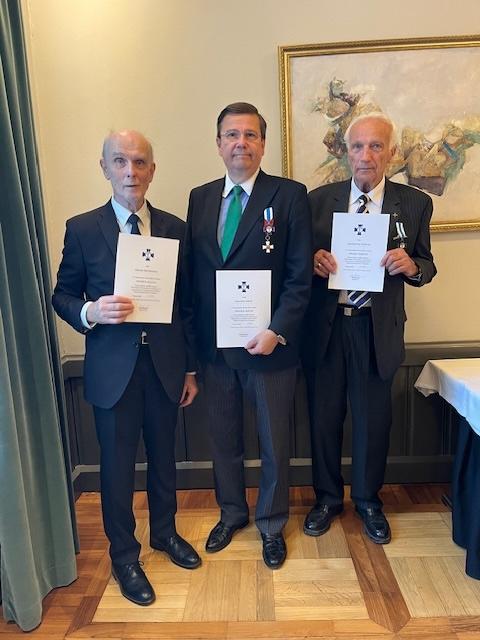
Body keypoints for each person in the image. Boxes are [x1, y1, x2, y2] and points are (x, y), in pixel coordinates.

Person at [52, 130, 201, 606]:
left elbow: (187, 305)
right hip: (112, 370)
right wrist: (91, 311)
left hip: (165, 366)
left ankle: (165, 533)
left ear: (152, 170)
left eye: (139, 162)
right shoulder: (82, 229)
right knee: (116, 469)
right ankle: (124, 556)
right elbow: (62, 295)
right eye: (120, 161)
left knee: (164, 459)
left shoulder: (176, 228)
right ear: (105, 167)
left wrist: (191, 370)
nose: (130, 171)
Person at [183, 102, 312, 569]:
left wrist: (277, 330)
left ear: (263, 143)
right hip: (216, 350)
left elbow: (300, 277)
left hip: (269, 349)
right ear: (218, 144)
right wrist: (192, 353)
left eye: (250, 135)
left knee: (274, 442)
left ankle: (272, 525)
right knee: (223, 440)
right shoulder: (200, 198)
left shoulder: (289, 195)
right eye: (232, 135)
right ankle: (232, 513)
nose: (241, 143)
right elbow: (195, 277)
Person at [302, 113, 436, 544]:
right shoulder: (316, 202)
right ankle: (326, 499)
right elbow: (293, 263)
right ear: (346, 152)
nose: (366, 156)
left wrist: (411, 265)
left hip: (376, 332)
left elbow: (427, 264)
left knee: (373, 422)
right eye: (357, 146)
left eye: (376, 146)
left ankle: (367, 500)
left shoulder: (414, 203)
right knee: (324, 420)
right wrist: (311, 262)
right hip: (326, 330)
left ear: (391, 153)